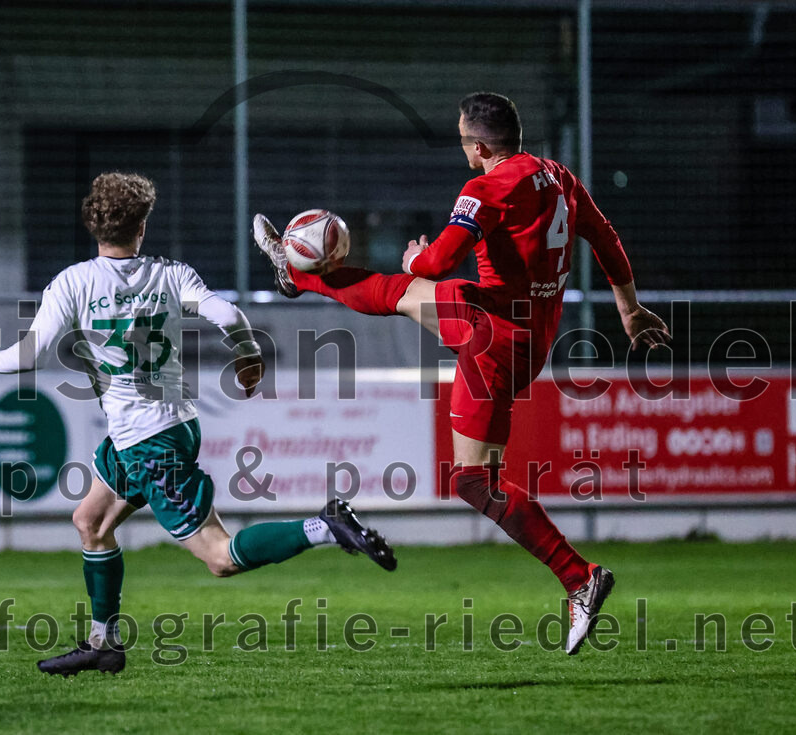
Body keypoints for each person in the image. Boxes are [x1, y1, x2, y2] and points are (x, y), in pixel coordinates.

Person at [254, 92, 669, 655]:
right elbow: (605, 235)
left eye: (461, 140)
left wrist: (415, 259)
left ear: (477, 146)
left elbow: (438, 259)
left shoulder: (486, 187)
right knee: (401, 299)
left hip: (492, 332)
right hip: (530, 336)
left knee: (470, 475)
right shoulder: (557, 175)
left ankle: (580, 577)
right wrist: (628, 307)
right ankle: (294, 272)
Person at [0, 172, 395, 677]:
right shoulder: (170, 272)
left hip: (148, 443)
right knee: (90, 522)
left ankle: (324, 526)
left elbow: (26, 357)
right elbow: (225, 312)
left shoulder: (72, 283)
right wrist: (247, 354)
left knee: (219, 557)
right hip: (168, 427)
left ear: (93, 224)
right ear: (141, 227)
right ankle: (103, 643)